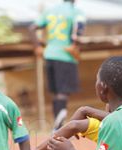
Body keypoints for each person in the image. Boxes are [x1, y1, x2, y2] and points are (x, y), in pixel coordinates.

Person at [29, 0, 85, 131]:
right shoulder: (76, 11)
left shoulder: (50, 10)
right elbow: (79, 26)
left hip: (49, 54)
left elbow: (32, 28)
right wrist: (75, 45)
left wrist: (37, 46)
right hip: (65, 55)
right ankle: (59, 128)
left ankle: (56, 126)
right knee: (63, 93)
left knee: (56, 93)